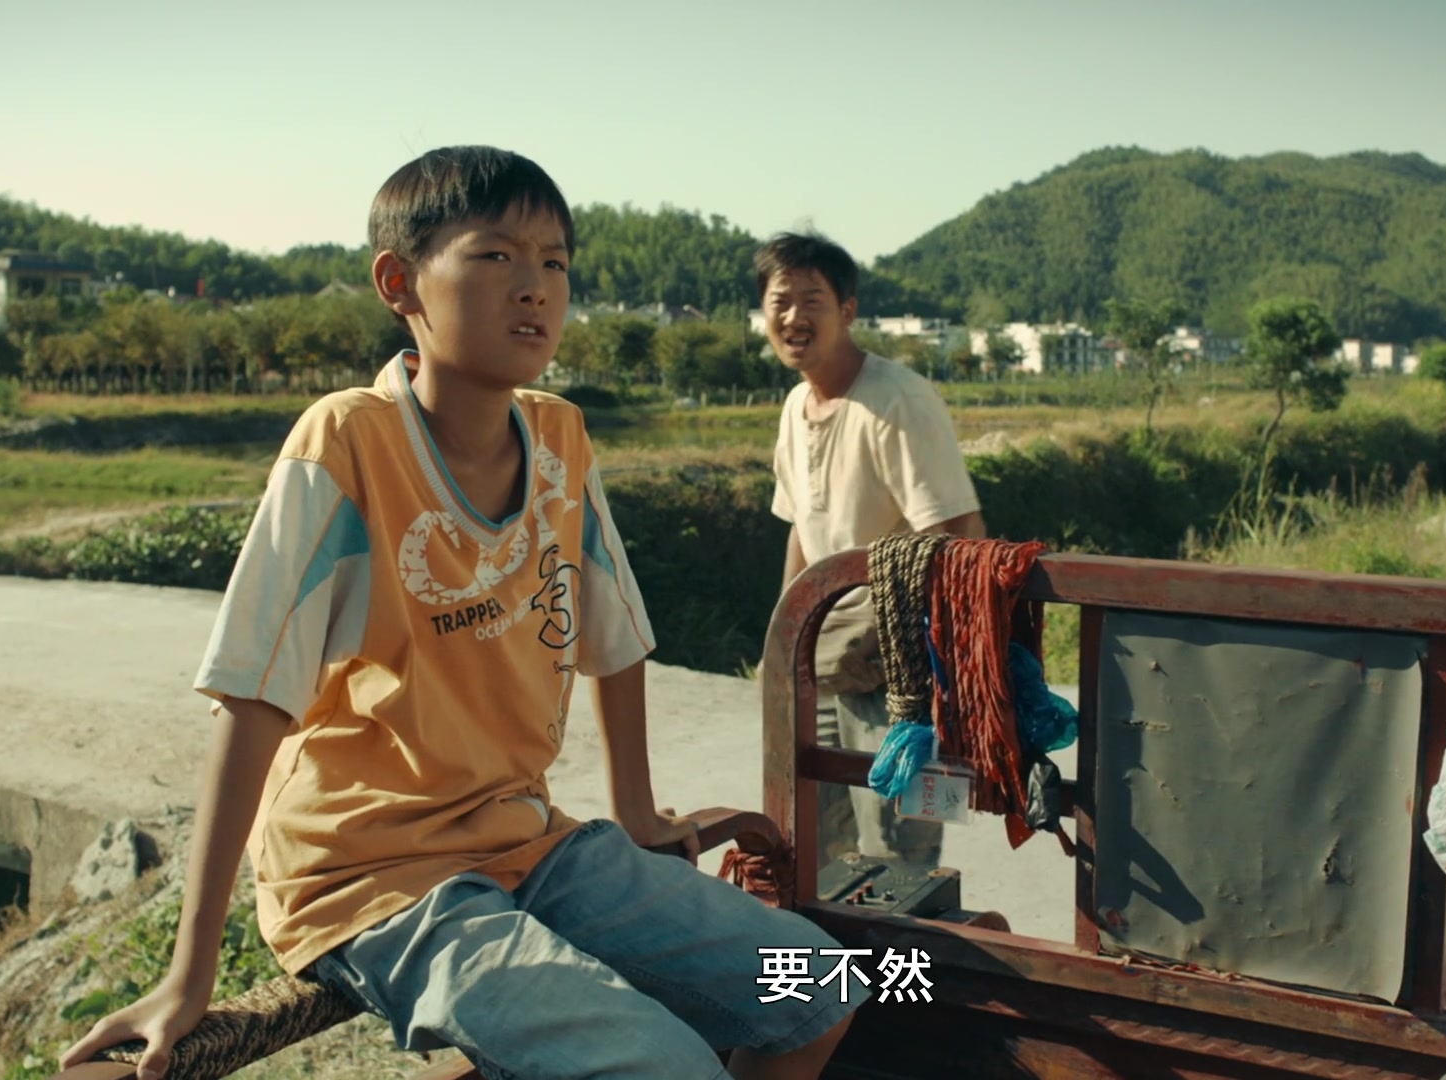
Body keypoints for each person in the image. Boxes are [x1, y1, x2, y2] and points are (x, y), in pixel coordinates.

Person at [61, 147, 861, 1080]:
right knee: (659, 1064)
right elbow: (251, 697)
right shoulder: (348, 444)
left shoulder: (559, 436)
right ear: (399, 283)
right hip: (371, 871)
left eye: (554, 262)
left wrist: (638, 813)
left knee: (823, 982)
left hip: (529, 839)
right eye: (495, 256)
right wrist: (190, 973)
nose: (535, 287)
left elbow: (613, 633)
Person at [758, 232, 986, 871]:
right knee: (816, 845)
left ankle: (914, 942)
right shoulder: (796, 405)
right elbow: (800, 530)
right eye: (780, 301)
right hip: (823, 656)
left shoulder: (898, 398)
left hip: (900, 669)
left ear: (848, 310)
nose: (794, 317)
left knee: (904, 853)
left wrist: (956, 678)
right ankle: (837, 947)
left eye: (812, 300)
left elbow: (957, 534)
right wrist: (782, 645)